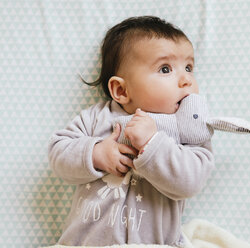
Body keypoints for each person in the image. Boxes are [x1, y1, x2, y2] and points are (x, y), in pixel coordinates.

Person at [48, 16, 214, 247]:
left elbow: (191, 182)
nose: (186, 79)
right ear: (121, 90)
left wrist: (153, 144)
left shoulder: (188, 129)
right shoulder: (97, 118)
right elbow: (58, 152)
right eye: (165, 69)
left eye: (189, 67)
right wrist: (97, 153)